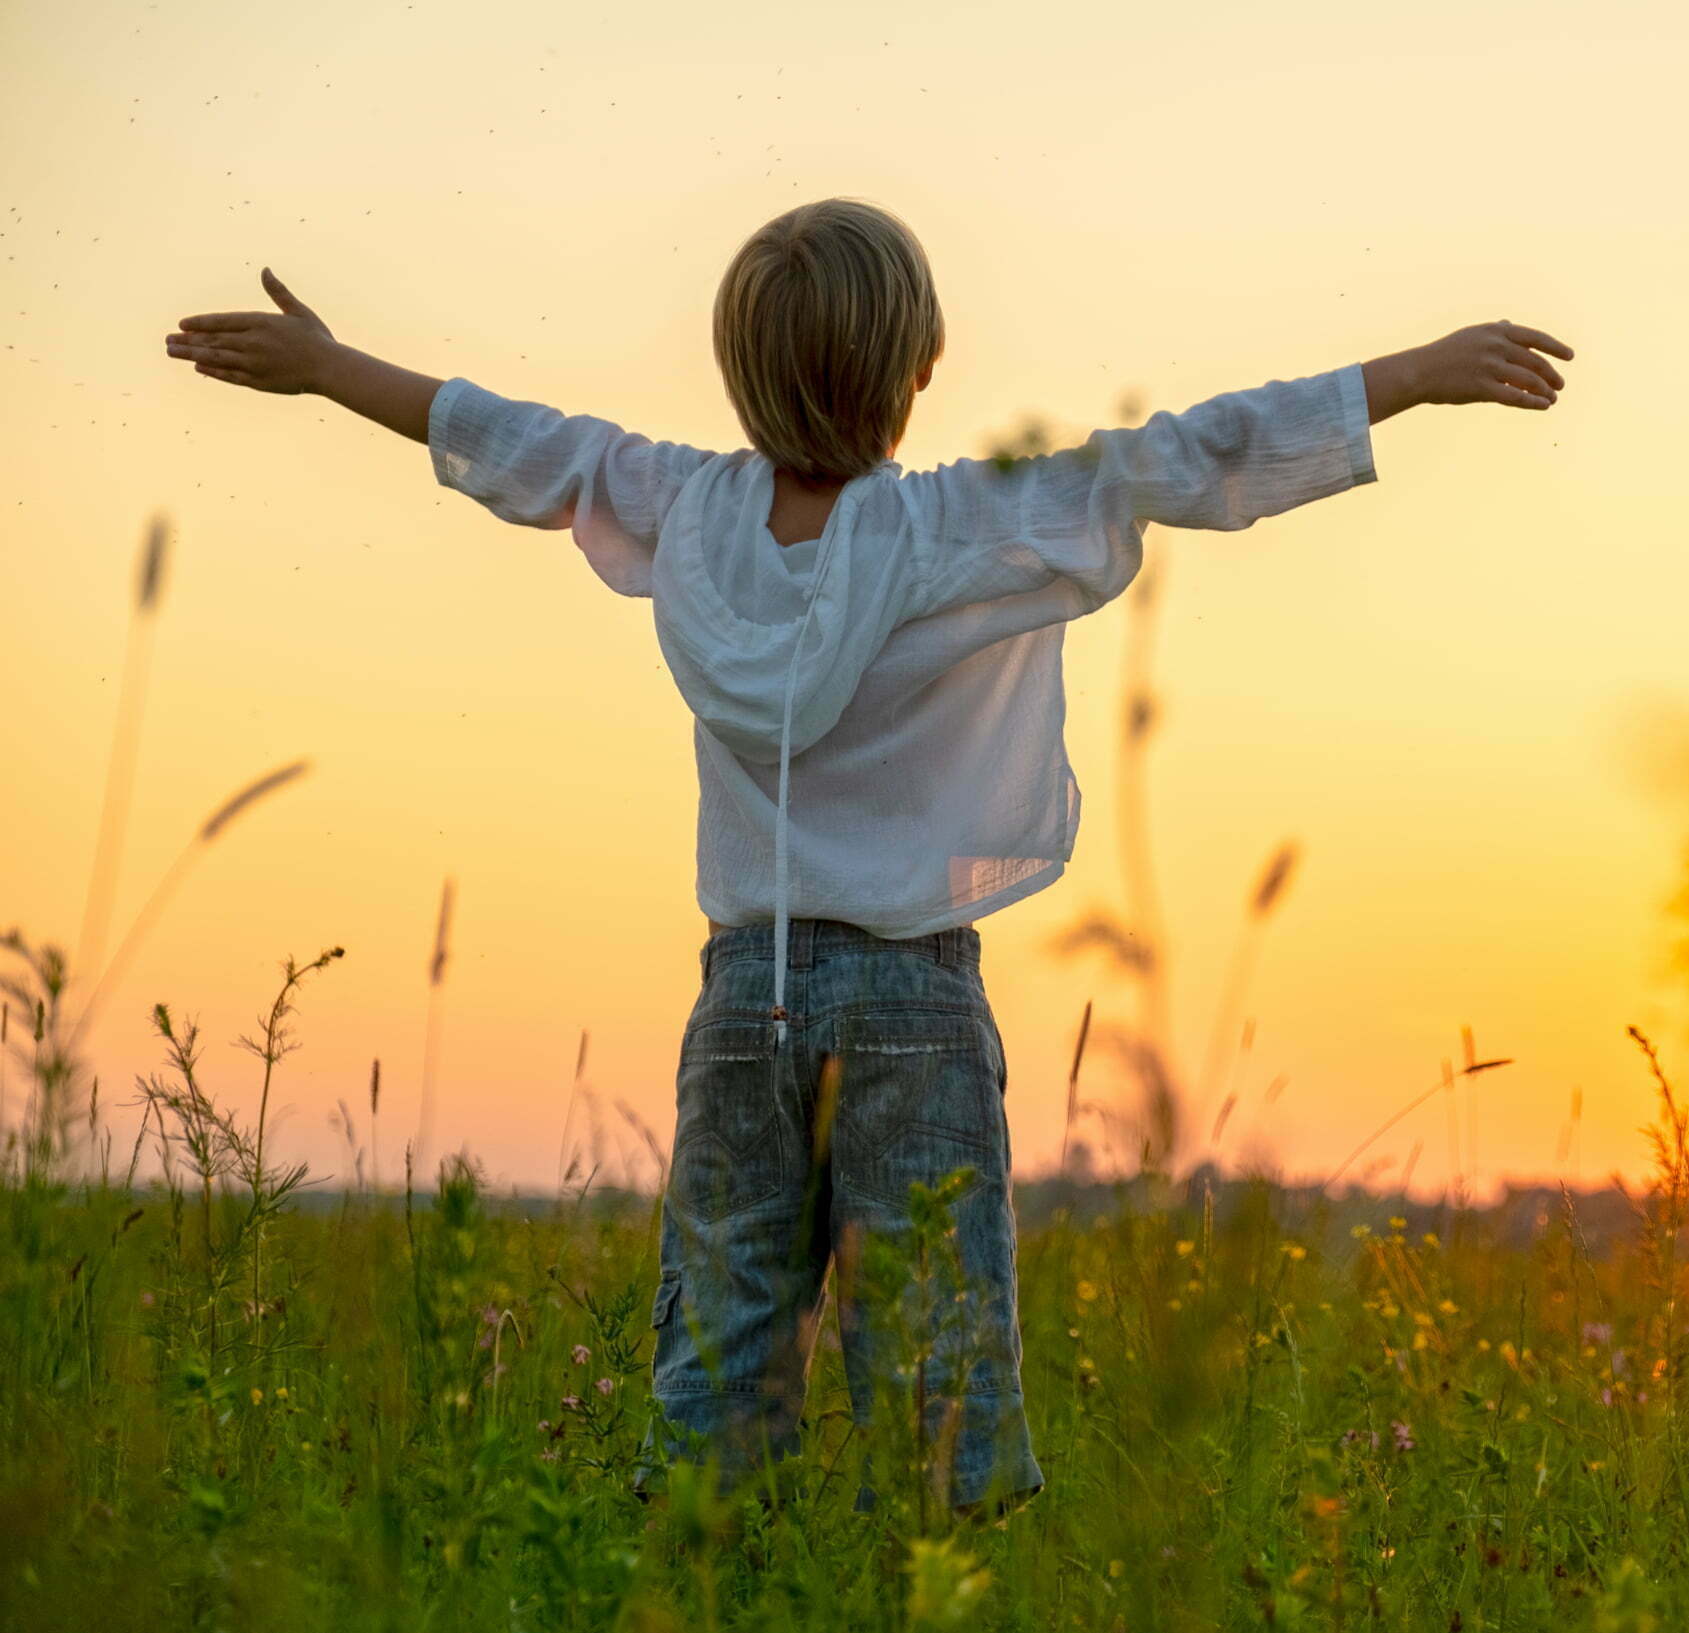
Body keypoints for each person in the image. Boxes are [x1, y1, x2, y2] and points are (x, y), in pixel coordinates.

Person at [163, 198, 1573, 1517]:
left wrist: (330, 364)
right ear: (913, 371)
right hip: (912, 1004)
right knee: (936, 1385)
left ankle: (714, 1584)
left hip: (739, 1006)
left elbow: (508, 435)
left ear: (739, 373)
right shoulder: (963, 520)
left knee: (716, 1369)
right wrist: (1413, 372)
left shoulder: (687, 513)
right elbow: (1192, 454)